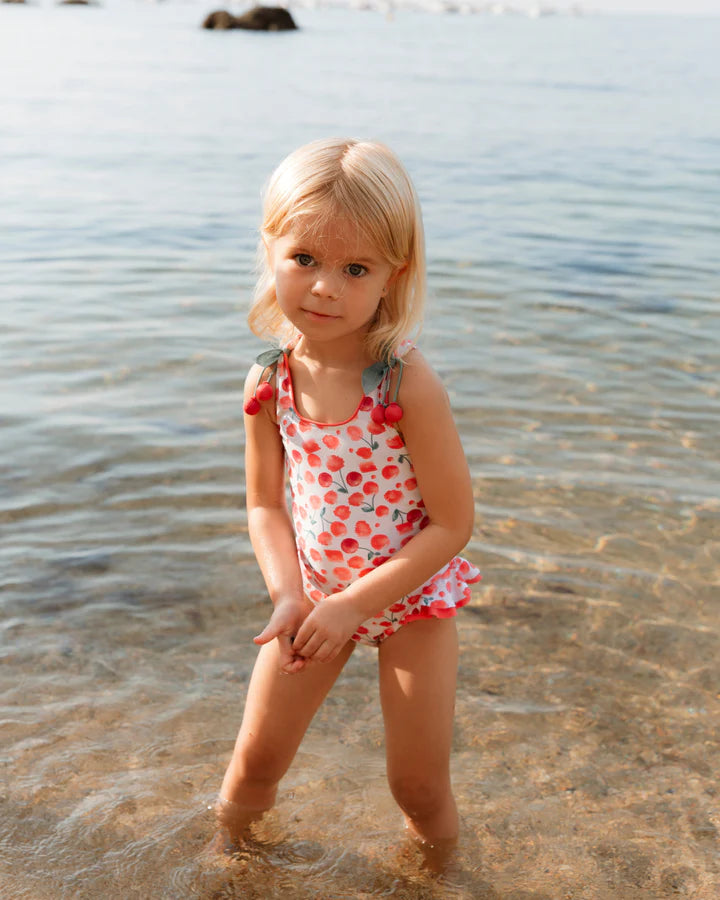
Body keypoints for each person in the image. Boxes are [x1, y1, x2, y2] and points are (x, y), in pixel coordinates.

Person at [216, 138, 481, 869]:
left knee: (417, 788)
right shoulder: (268, 381)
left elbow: (454, 524)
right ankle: (228, 871)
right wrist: (289, 595)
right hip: (313, 599)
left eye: (354, 269)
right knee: (253, 767)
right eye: (305, 259)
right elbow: (265, 505)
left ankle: (436, 879)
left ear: (394, 276)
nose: (325, 287)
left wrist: (356, 605)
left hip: (409, 599)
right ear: (272, 248)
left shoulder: (404, 386)